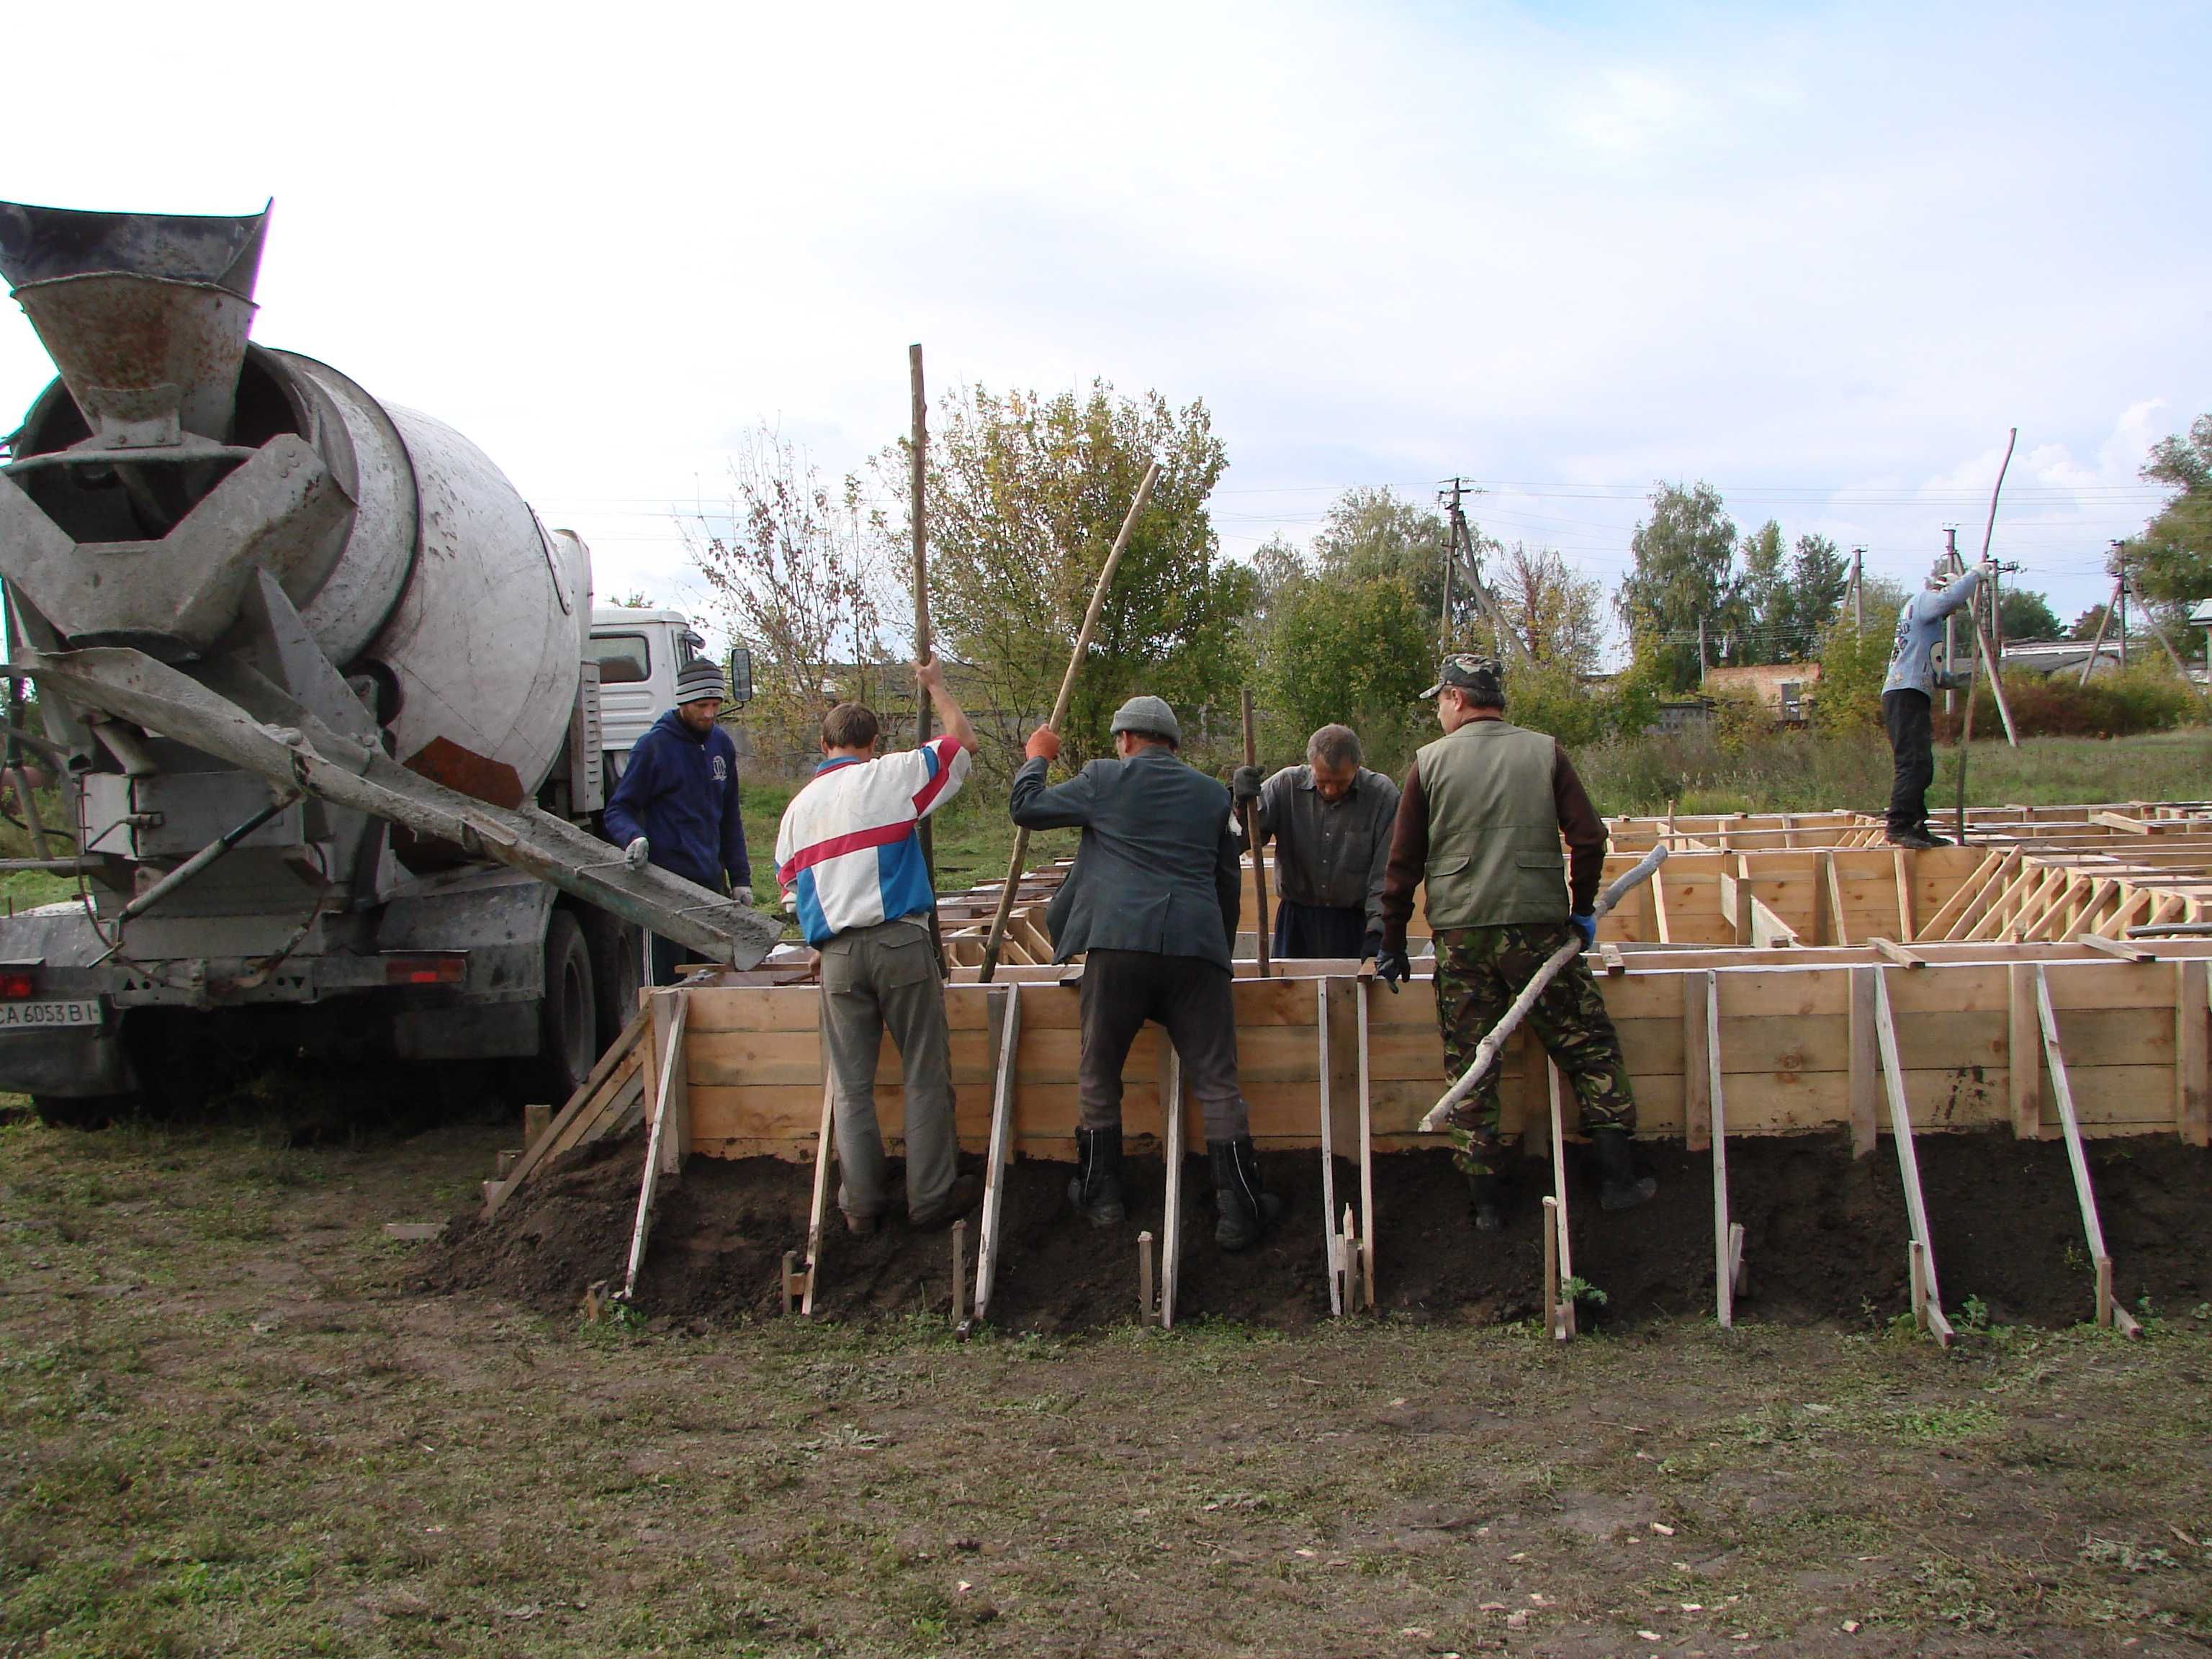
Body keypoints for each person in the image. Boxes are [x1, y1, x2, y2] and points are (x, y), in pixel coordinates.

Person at [1375, 653, 1653, 1231]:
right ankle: (1620, 1181)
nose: (1438, 715)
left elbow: (1402, 864)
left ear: (1455, 698)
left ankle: (1487, 1207)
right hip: (1539, 929)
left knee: (1471, 1062)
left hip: (1462, 934)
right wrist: (1579, 911)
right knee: (1588, 1045)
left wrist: (1394, 940)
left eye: (1440, 703)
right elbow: (1589, 837)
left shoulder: (1429, 764)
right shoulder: (1544, 751)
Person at [1010, 694, 1280, 1251]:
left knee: (1099, 1069)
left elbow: (1026, 808)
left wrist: (1037, 756)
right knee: (1217, 1080)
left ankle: (1102, 1196)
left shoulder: (1104, 779)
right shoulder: (1210, 795)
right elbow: (1227, 880)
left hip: (1118, 949)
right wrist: (1217, 955)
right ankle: (1239, 1210)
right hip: (1196, 950)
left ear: (1127, 740)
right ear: (1174, 746)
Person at [774, 660, 979, 1233]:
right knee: (922, 1070)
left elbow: (792, 891)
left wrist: (818, 941)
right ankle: (931, 1198)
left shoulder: (796, 813)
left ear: (825, 744)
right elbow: (963, 742)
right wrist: (935, 685)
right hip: (899, 944)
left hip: (836, 957)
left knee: (852, 1084)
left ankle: (861, 1207)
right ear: (872, 744)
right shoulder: (890, 777)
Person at [604, 657, 751, 986]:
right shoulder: (653, 747)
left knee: (712, 986)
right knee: (666, 991)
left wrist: (740, 878)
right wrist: (633, 838)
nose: (710, 714)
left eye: (715, 705)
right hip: (664, 890)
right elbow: (618, 809)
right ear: (683, 701)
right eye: (702, 706)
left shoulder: (721, 745)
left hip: (711, 889)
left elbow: (730, 817)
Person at [1231, 723, 1400, 961]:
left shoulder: (1382, 796)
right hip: (1296, 924)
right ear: (1311, 767)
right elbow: (1241, 842)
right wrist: (1240, 805)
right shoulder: (1285, 786)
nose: (1330, 790)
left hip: (1354, 925)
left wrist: (1377, 931)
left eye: (1341, 783)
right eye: (1322, 781)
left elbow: (1385, 874)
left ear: (1357, 767)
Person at [1883, 559, 1995, 850]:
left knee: (1922, 765)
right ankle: (1899, 825)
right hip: (1904, 692)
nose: (1951, 613)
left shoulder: (1928, 627)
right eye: (1952, 607)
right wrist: (1975, 576)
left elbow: (1934, 673)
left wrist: (1955, 680)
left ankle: (1917, 826)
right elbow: (1949, 598)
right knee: (1913, 763)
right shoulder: (1923, 601)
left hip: (1913, 692)